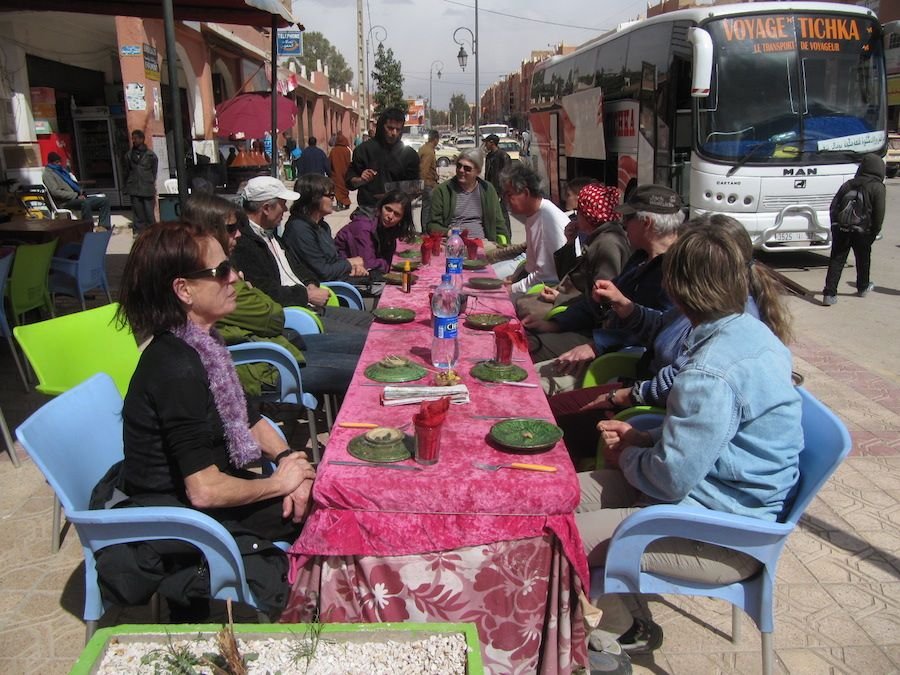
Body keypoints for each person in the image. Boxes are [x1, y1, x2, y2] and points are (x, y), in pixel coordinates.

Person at [576, 221, 803, 673]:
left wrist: (632, 455)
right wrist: (646, 439)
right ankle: (623, 621)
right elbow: (711, 436)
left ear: (676, 292)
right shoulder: (748, 332)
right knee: (563, 494)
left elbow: (670, 478)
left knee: (559, 541)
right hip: (711, 500)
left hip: (722, 533)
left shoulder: (711, 372)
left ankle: (612, 639)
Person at [113, 221, 317, 618]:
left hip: (207, 496)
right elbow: (203, 490)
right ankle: (322, 617)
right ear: (183, 290)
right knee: (328, 512)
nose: (235, 277)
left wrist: (289, 459)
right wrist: (279, 484)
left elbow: (248, 414)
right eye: (221, 271)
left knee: (318, 491)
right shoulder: (176, 366)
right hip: (181, 518)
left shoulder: (201, 343)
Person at [547, 214, 794, 462]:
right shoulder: (706, 303)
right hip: (643, 395)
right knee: (550, 417)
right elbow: (664, 327)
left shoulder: (729, 321)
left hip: (652, 410)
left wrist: (629, 404)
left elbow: (688, 378)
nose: (667, 277)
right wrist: (626, 306)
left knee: (552, 433)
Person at [182, 193, 365, 398]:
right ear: (209, 231)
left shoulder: (245, 252)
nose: (239, 234)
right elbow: (272, 316)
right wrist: (253, 290)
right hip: (265, 363)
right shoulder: (209, 278)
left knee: (370, 345)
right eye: (232, 228)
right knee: (367, 371)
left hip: (280, 345)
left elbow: (292, 277)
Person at [523, 184, 683, 363]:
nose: (623, 223)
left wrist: (598, 345)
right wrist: (555, 324)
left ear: (646, 223)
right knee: (525, 341)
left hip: (615, 360)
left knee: (527, 352)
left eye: (629, 218)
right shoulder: (641, 257)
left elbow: (661, 332)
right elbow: (597, 301)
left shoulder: (675, 271)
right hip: (598, 339)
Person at [232, 176, 371, 334]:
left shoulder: (270, 234)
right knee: (366, 338)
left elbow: (296, 267)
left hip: (308, 305)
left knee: (372, 322)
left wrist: (310, 283)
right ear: (266, 208)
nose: (285, 210)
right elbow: (265, 290)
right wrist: (306, 295)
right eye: (283, 204)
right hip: (293, 317)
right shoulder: (243, 243)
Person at [516, 183, 629, 322]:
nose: (576, 216)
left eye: (578, 212)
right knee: (522, 302)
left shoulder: (608, 244)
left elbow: (601, 300)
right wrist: (570, 242)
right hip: (570, 297)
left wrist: (561, 299)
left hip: (583, 317)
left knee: (525, 311)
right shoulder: (597, 238)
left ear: (589, 215)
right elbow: (567, 274)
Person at [493, 163, 568, 297]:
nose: (506, 200)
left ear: (526, 193)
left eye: (509, 194)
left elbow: (546, 275)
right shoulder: (534, 214)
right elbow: (532, 264)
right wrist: (514, 279)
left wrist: (512, 288)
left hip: (549, 290)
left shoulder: (547, 218)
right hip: (535, 282)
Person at [822, 153, 885, 305]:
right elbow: (879, 212)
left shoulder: (849, 184)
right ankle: (863, 287)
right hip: (863, 230)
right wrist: (874, 231)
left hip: (841, 228)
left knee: (837, 259)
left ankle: (829, 294)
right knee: (863, 258)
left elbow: (834, 206)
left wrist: (835, 225)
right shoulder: (877, 187)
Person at [281, 174, 367, 282]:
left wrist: (352, 267)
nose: (333, 200)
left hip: (337, 279)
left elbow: (334, 259)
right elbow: (323, 272)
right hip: (321, 287)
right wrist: (350, 263)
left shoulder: (322, 226)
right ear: (314, 198)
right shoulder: (299, 229)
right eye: (330, 196)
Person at [345, 108, 420, 214]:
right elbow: (350, 182)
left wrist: (392, 196)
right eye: (390, 128)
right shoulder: (364, 150)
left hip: (397, 213)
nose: (394, 133)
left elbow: (415, 187)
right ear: (381, 126)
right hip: (369, 211)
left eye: (398, 129)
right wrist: (360, 180)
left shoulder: (409, 154)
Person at [427, 148, 509, 243]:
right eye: (459, 166)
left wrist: (507, 248)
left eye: (467, 168)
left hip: (482, 244)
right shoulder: (443, 190)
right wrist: (452, 233)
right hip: (452, 244)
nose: (461, 170)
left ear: (477, 171)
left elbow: (499, 223)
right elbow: (432, 226)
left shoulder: (488, 189)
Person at [334, 190, 414, 274]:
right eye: (388, 209)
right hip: (341, 275)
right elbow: (368, 265)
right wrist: (384, 263)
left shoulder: (389, 229)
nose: (390, 216)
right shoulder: (363, 227)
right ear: (380, 207)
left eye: (397, 214)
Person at [42, 152, 112, 230]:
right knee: (85, 203)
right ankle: (88, 227)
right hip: (64, 201)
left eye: (59, 162)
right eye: (56, 162)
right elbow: (55, 192)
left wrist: (80, 192)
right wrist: (75, 195)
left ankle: (103, 226)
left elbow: (72, 184)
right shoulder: (48, 174)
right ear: (51, 162)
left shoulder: (62, 171)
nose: (59, 164)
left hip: (77, 197)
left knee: (104, 201)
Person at [123, 130, 159, 237]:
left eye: (136, 138)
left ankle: (152, 232)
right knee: (138, 213)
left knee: (149, 213)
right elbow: (126, 171)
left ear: (142, 139)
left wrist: (149, 180)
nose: (134, 140)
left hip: (147, 187)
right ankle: (138, 232)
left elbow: (154, 170)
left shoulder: (151, 155)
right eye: (133, 138)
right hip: (134, 187)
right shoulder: (129, 155)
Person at [484, 133, 512, 232]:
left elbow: (506, 175)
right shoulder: (489, 156)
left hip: (501, 192)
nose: (485, 145)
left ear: (492, 143)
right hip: (490, 191)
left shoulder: (503, 156)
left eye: (486, 143)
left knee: (502, 214)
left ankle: (507, 235)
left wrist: (502, 192)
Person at [418, 129, 440, 233]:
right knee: (428, 208)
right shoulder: (428, 152)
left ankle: (426, 229)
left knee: (427, 207)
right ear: (435, 139)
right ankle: (426, 230)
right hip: (428, 184)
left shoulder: (425, 148)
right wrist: (421, 185)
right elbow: (423, 170)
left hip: (429, 183)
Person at [329, 132, 353, 210]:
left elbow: (329, 162)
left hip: (336, 174)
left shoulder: (333, 151)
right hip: (345, 173)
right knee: (345, 188)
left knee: (337, 189)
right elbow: (350, 162)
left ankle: (339, 203)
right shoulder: (347, 150)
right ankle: (346, 202)